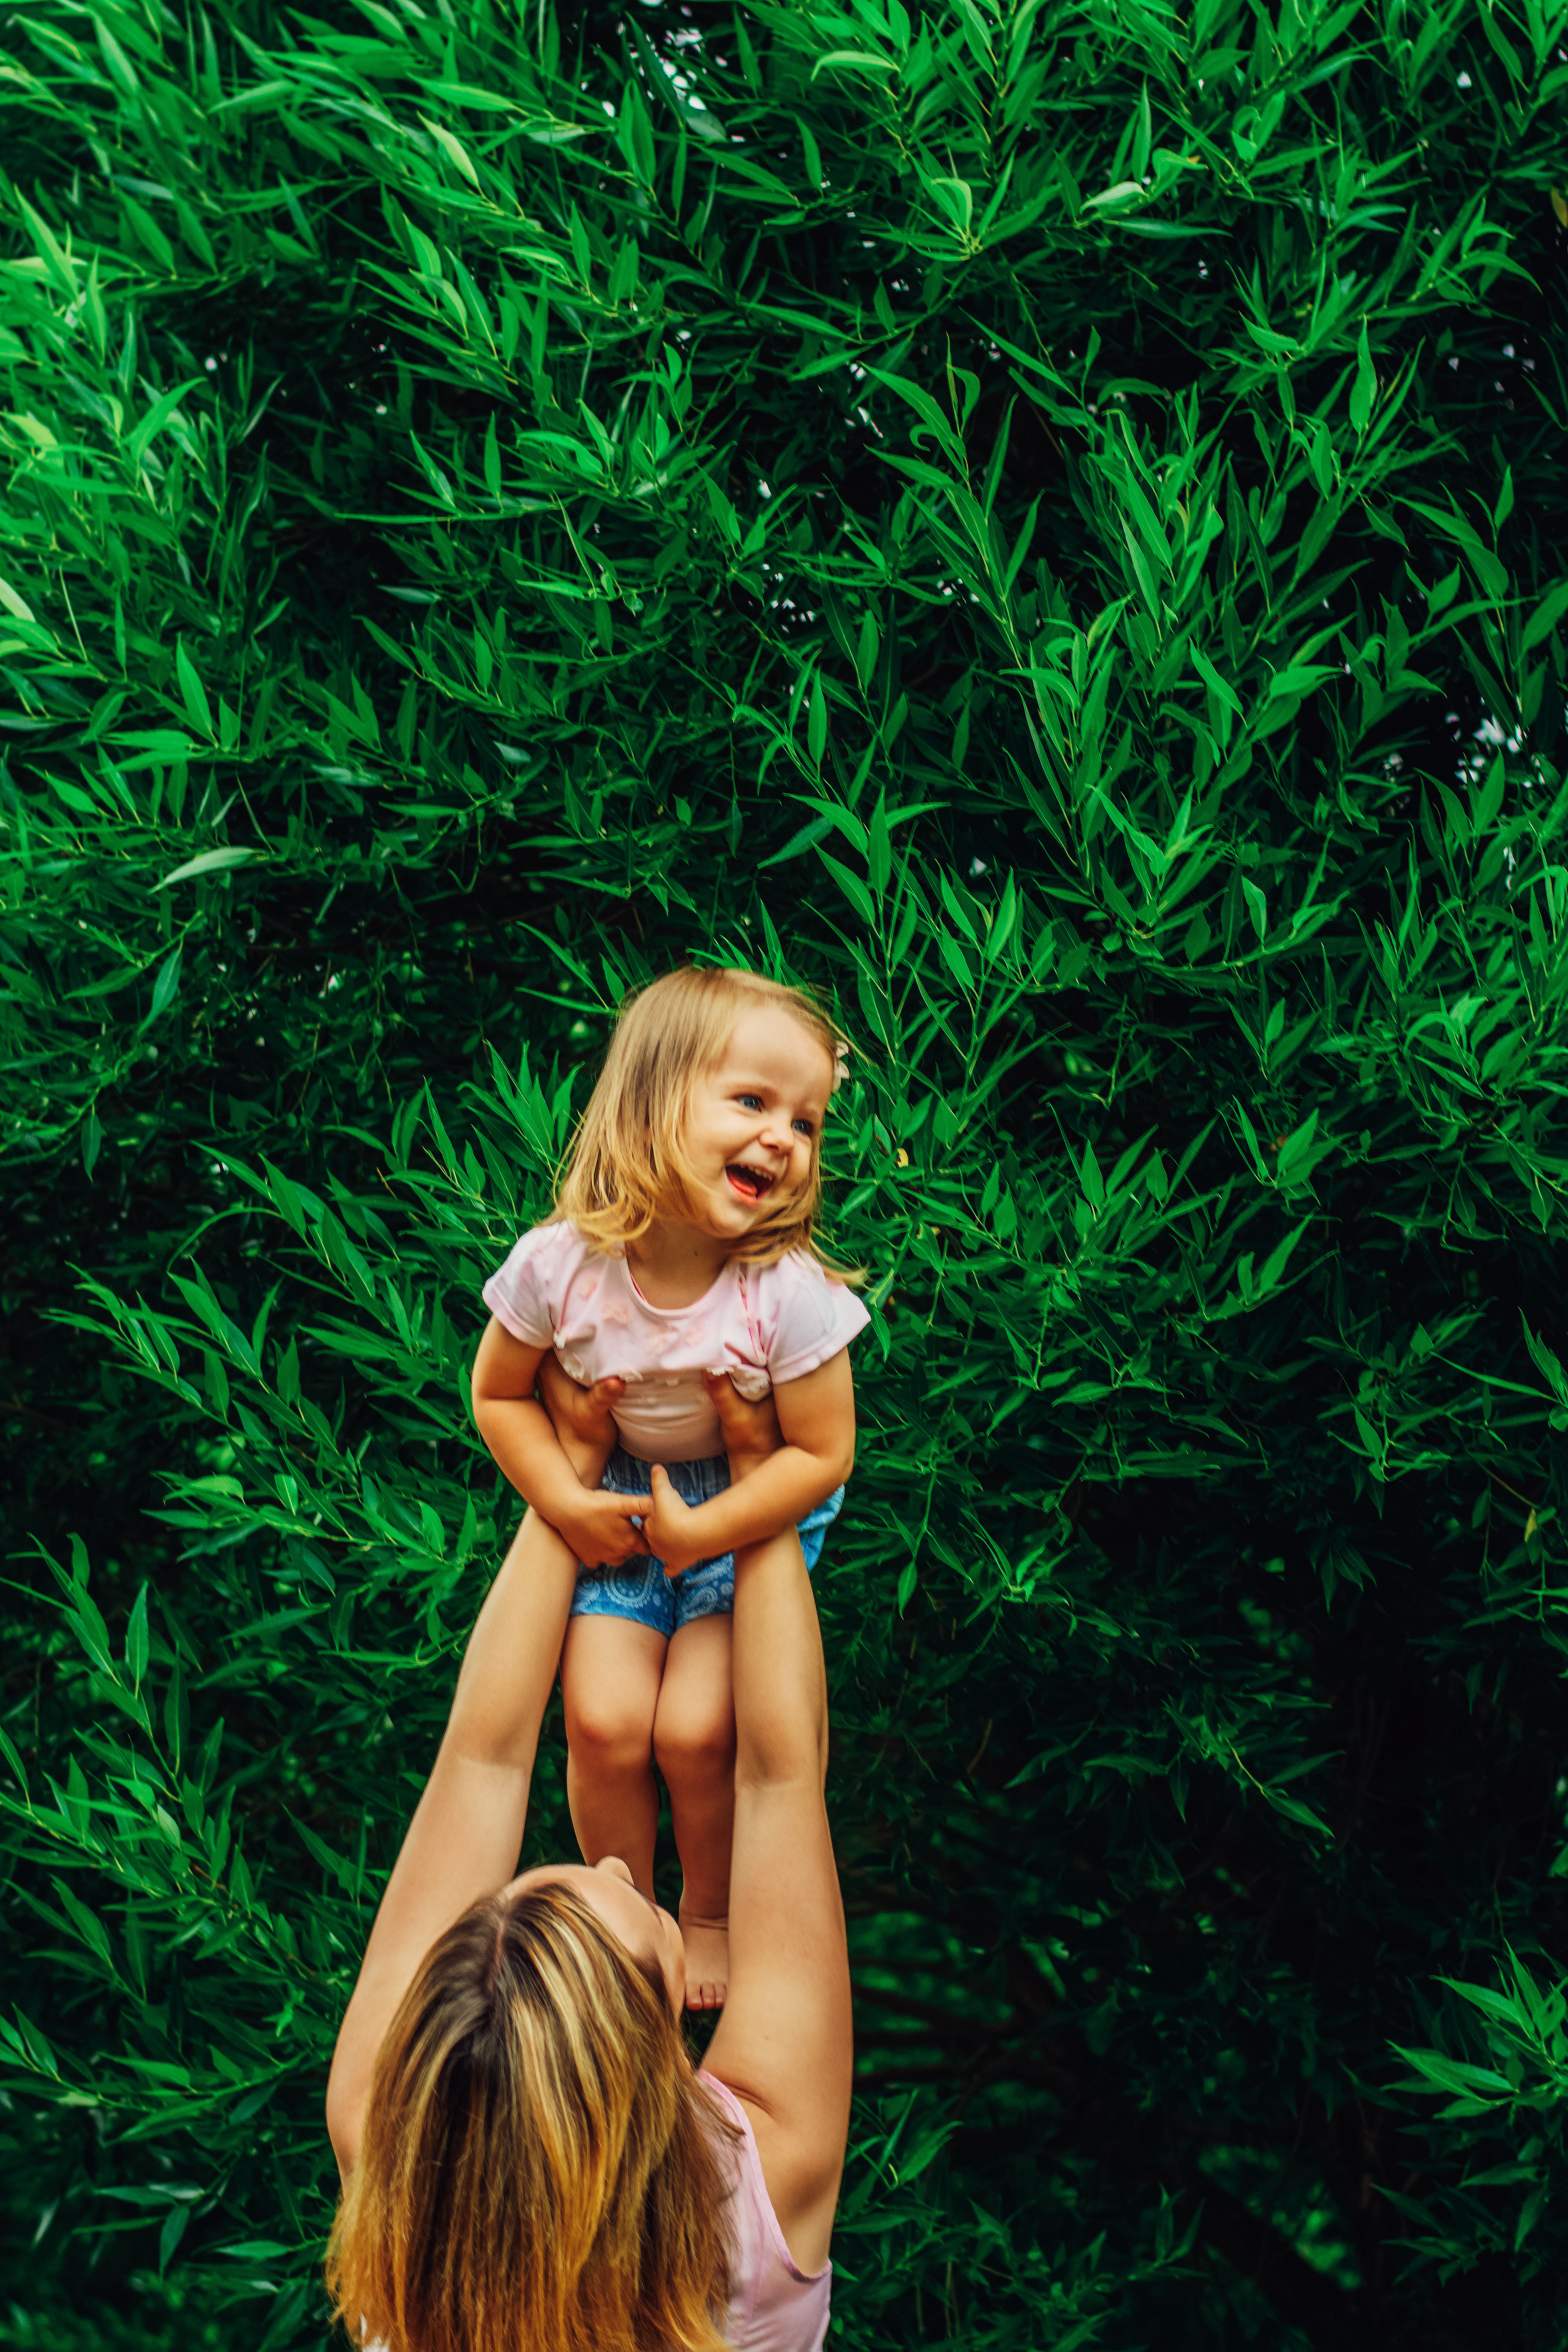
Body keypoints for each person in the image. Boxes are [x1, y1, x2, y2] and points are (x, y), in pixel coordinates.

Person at [325, 1360, 853, 2352]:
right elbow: (779, 1777)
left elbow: (485, 1762)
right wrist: (757, 1479)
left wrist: (564, 1479)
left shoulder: (394, 2189)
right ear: (650, 2060)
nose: (617, 1865)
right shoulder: (755, 2201)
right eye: (635, 1908)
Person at [469, 965, 866, 2008]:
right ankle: (625, 1918)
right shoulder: (562, 1266)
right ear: (649, 1103)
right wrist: (564, 1499)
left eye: (806, 1122)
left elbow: (820, 1456)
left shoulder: (785, 1293)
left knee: (695, 1729)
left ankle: (710, 1913)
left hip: (746, 1511)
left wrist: (710, 1531)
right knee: (602, 1722)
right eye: (751, 1102)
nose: (784, 1138)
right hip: (617, 1503)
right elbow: (500, 1396)